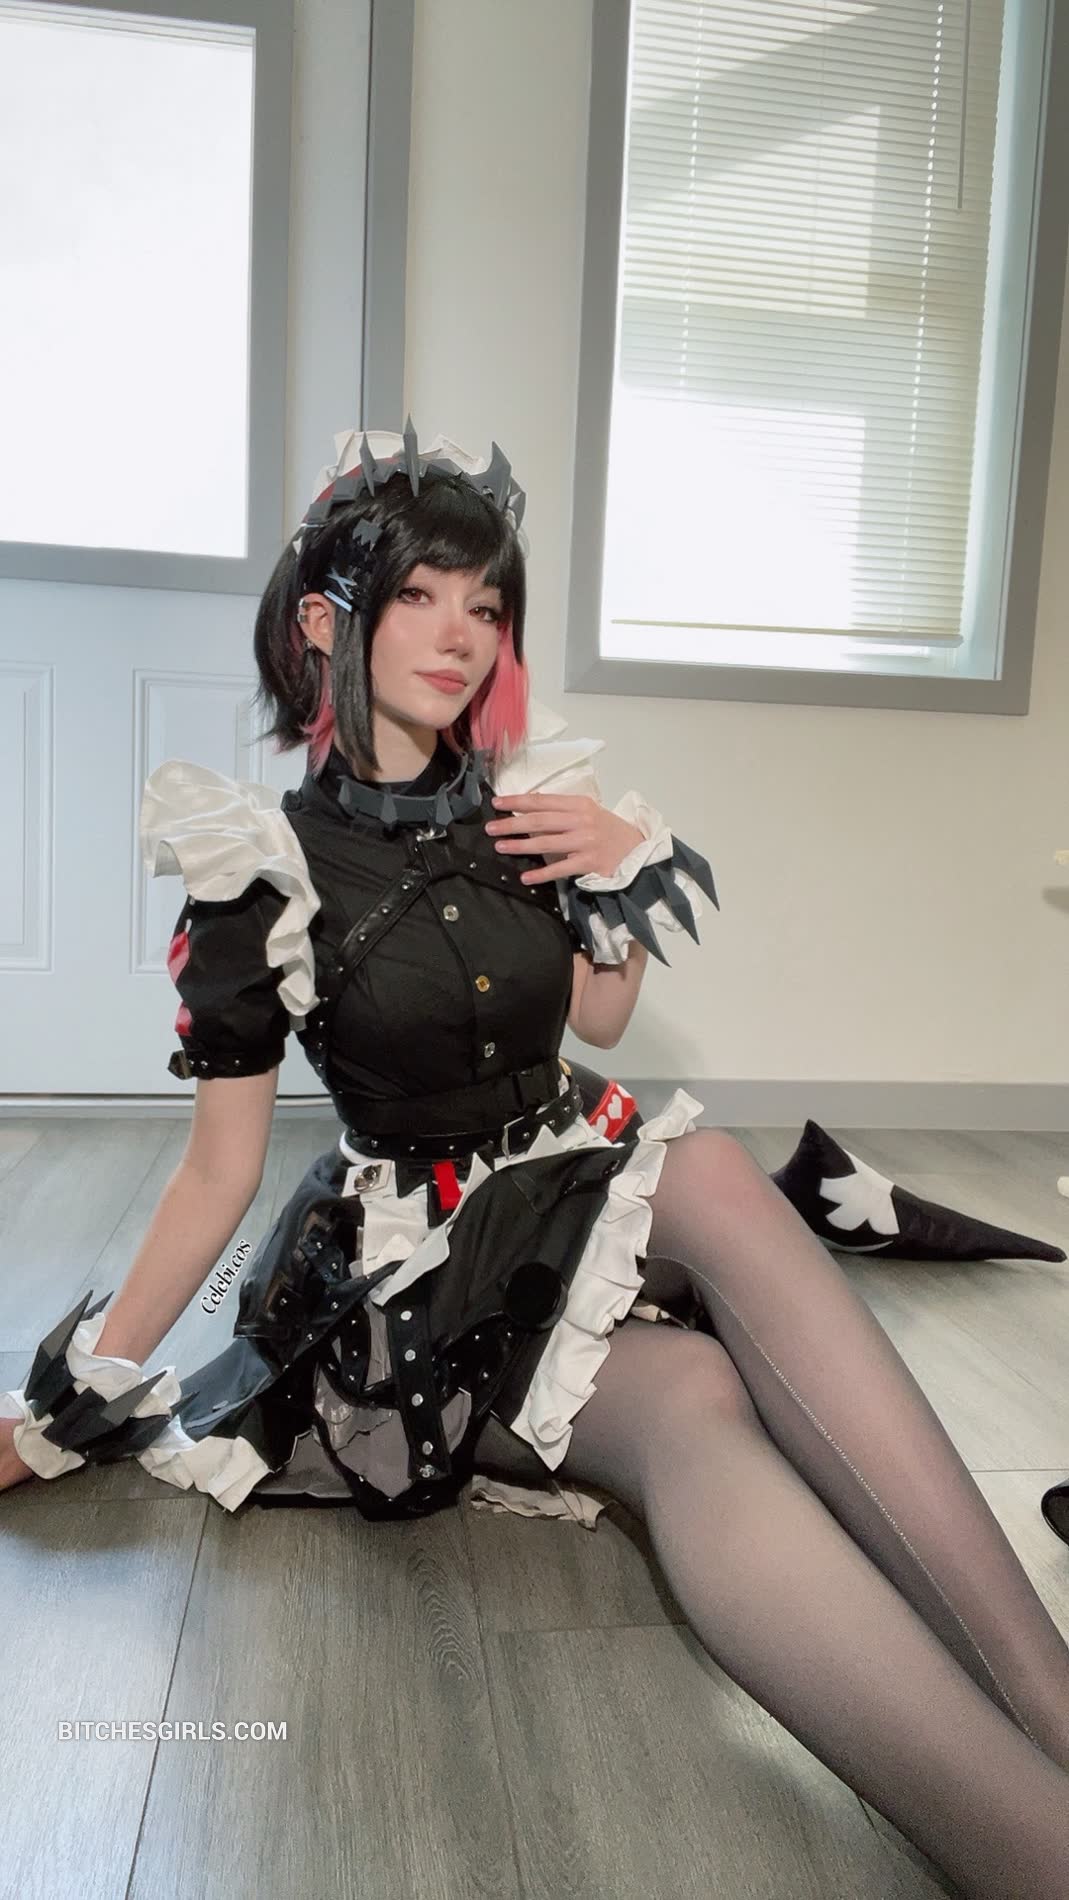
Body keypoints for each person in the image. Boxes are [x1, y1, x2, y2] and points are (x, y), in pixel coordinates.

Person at [3, 426, 1069, 1897]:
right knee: (692, 1394)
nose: (459, 634)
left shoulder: (526, 800)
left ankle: (1048, 1705)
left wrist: (615, 864)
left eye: (485, 605)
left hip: (571, 1179)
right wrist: (63, 1411)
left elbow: (602, 1020)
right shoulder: (262, 868)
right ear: (322, 621)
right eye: (419, 595)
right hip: (422, 1277)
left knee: (710, 1171)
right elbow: (214, 1177)